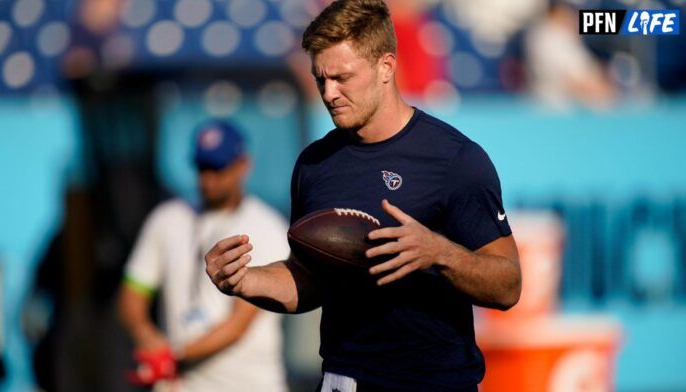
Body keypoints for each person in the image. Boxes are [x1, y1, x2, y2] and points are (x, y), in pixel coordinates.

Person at [205, 1, 522, 391]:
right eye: (320, 79)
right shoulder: (315, 164)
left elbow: (508, 286)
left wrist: (439, 252)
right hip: (345, 380)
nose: (329, 93)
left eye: (342, 77)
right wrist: (244, 282)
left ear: (386, 66)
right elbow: (308, 281)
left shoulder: (455, 159)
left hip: (434, 382)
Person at [118, 120, 289, 391]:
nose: (207, 179)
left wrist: (174, 356)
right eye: (201, 168)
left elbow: (239, 322)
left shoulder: (267, 228)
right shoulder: (167, 218)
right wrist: (146, 336)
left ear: (243, 165)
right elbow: (132, 295)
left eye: (217, 169)